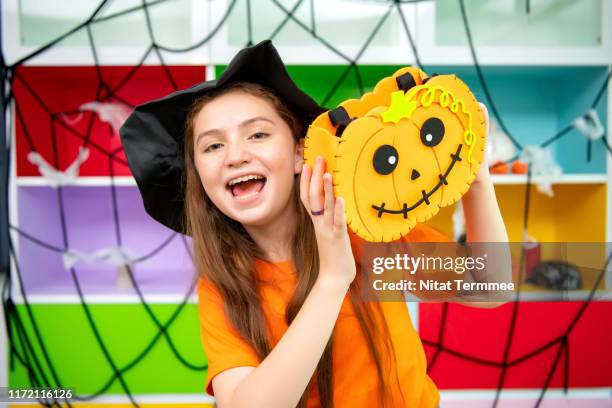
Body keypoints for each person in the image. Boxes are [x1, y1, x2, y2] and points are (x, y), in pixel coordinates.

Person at [120, 40, 509, 408]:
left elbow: (490, 286)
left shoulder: (364, 227)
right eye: (213, 145)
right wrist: (333, 278)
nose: (235, 155)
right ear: (200, 177)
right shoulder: (225, 284)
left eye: (257, 134)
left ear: (299, 154)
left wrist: (476, 180)